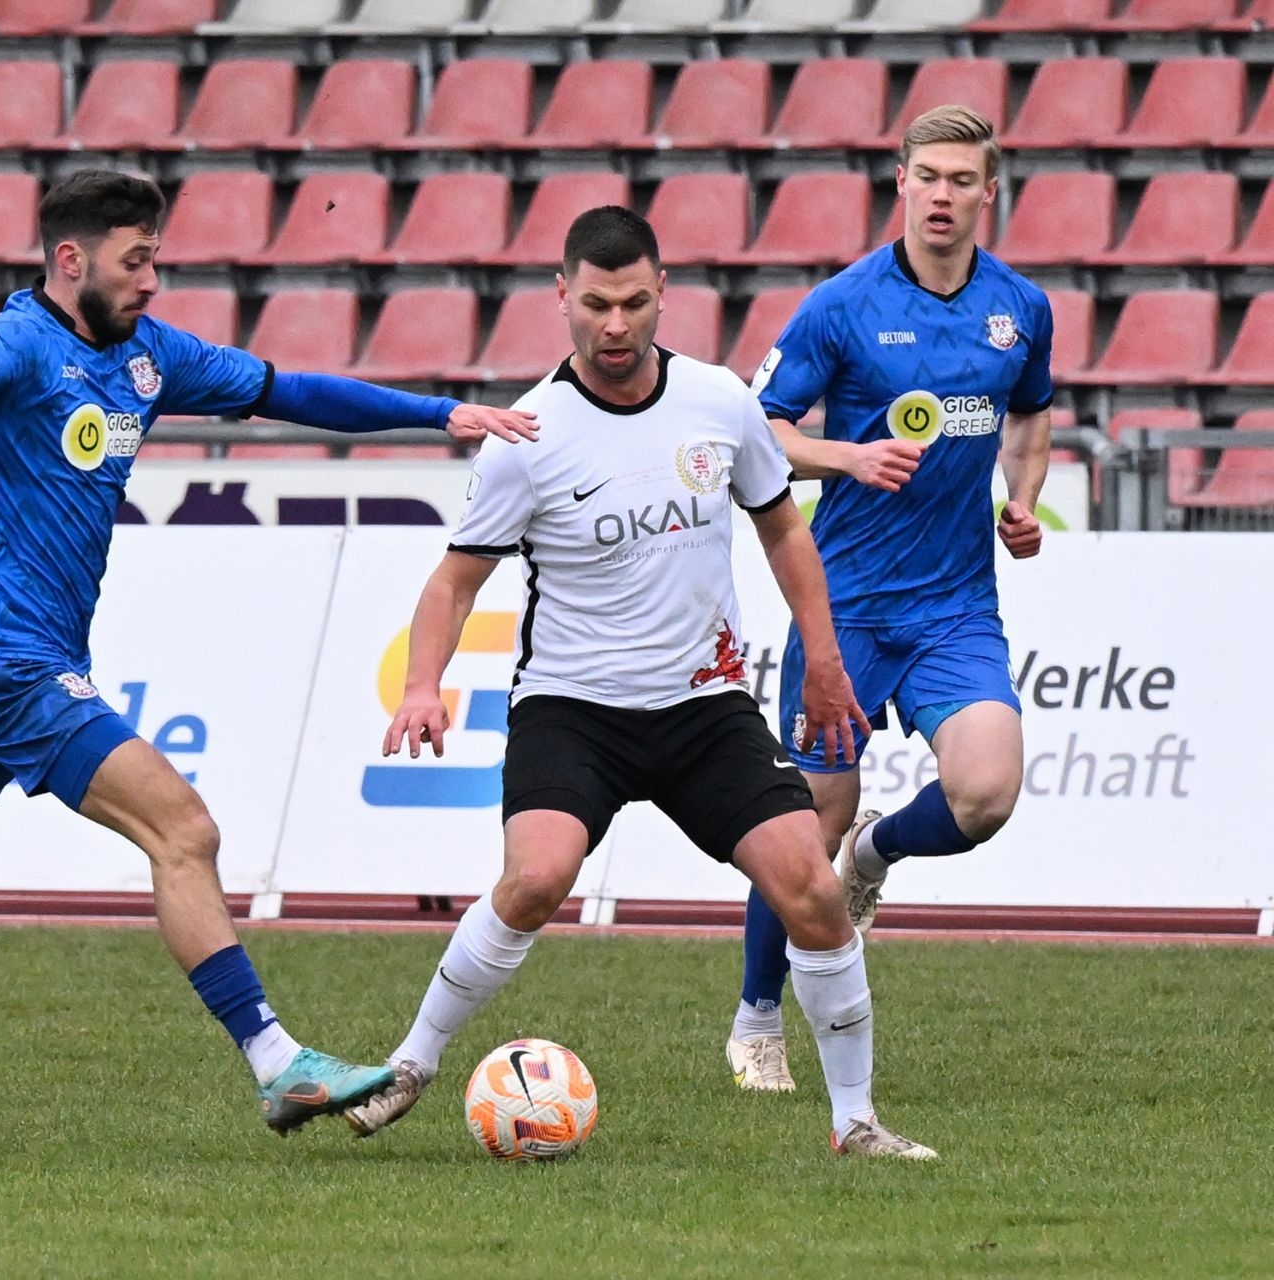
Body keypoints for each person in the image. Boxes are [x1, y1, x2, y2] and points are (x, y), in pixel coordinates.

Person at [0, 169, 539, 1132]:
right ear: (71, 261)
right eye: (135, 261)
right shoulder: (24, 341)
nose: (151, 279)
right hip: (8, 665)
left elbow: (288, 391)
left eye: (155, 258)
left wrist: (438, 414)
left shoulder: (151, 355)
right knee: (184, 832)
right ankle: (277, 1063)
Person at [342, 206, 935, 1159]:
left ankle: (855, 1122)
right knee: (535, 879)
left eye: (632, 303)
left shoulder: (719, 402)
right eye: (594, 305)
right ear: (561, 298)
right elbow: (455, 581)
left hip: (704, 705)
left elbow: (784, 531)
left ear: (663, 293)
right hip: (572, 709)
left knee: (814, 893)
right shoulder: (527, 436)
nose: (614, 325)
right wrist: (421, 685)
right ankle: (409, 1065)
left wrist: (824, 662)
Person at [724, 105, 1054, 1093]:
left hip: (956, 606)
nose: (943, 195)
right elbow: (757, 431)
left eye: (962, 179)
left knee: (986, 793)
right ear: (900, 183)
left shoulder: (1022, 309)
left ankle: (875, 853)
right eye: (928, 177)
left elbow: (1030, 417)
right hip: (846, 607)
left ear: (989, 192)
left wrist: (1023, 498)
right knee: (803, 827)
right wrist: (849, 456)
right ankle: (756, 1019)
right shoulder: (841, 306)